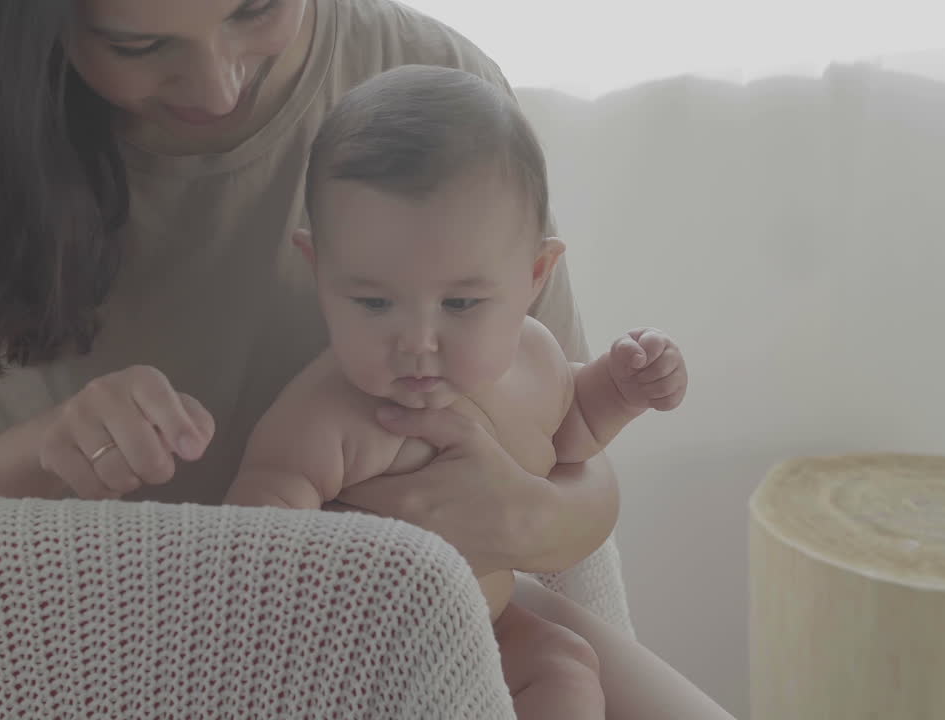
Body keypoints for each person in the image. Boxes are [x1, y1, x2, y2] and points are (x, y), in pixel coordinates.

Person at [0, 0, 735, 717]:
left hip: (440, 609)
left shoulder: (434, 88)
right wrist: (46, 451)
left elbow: (570, 448)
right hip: (79, 632)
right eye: (139, 44)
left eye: (257, 9)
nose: (219, 86)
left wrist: (526, 510)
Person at [224, 64, 689, 718]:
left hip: (487, 626)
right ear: (319, 272)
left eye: (462, 303)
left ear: (533, 276)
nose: (418, 341)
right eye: (375, 302)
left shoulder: (535, 360)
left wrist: (620, 389)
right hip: (366, 656)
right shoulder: (328, 413)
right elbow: (255, 538)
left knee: (564, 664)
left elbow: (572, 436)